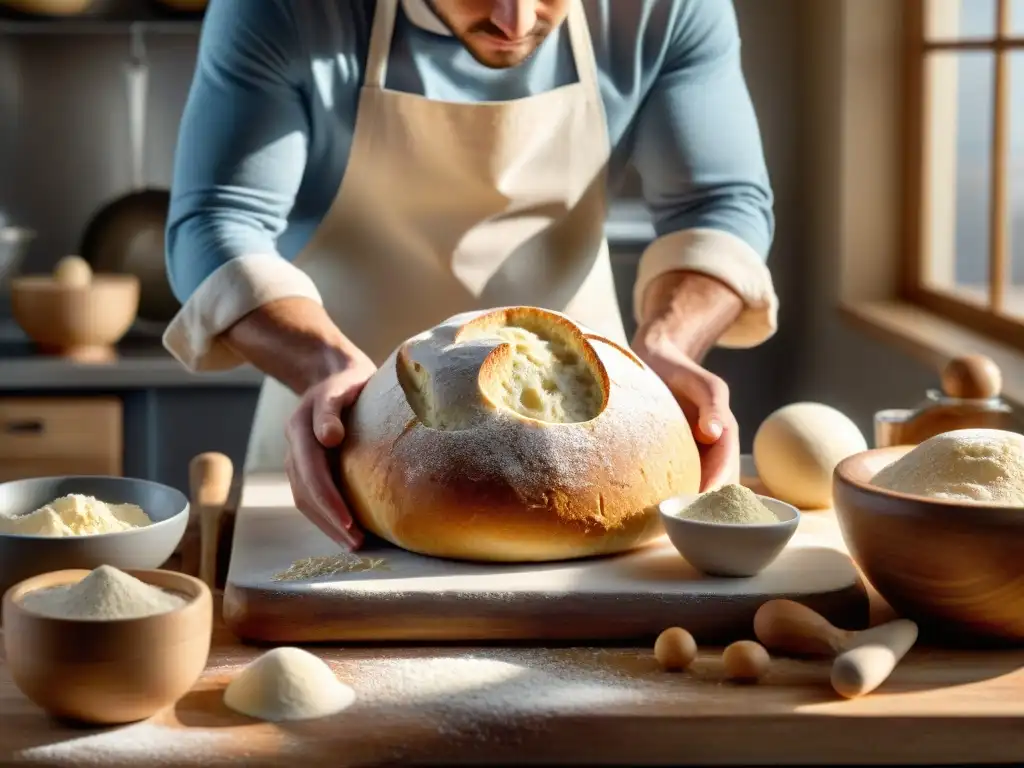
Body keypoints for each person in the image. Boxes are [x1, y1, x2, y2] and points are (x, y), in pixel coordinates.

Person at [163, 0, 778, 551]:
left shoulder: (662, 8)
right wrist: (324, 368)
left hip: (601, 454)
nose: (516, 20)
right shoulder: (285, 10)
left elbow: (718, 205)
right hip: (338, 443)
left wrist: (664, 349)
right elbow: (215, 221)